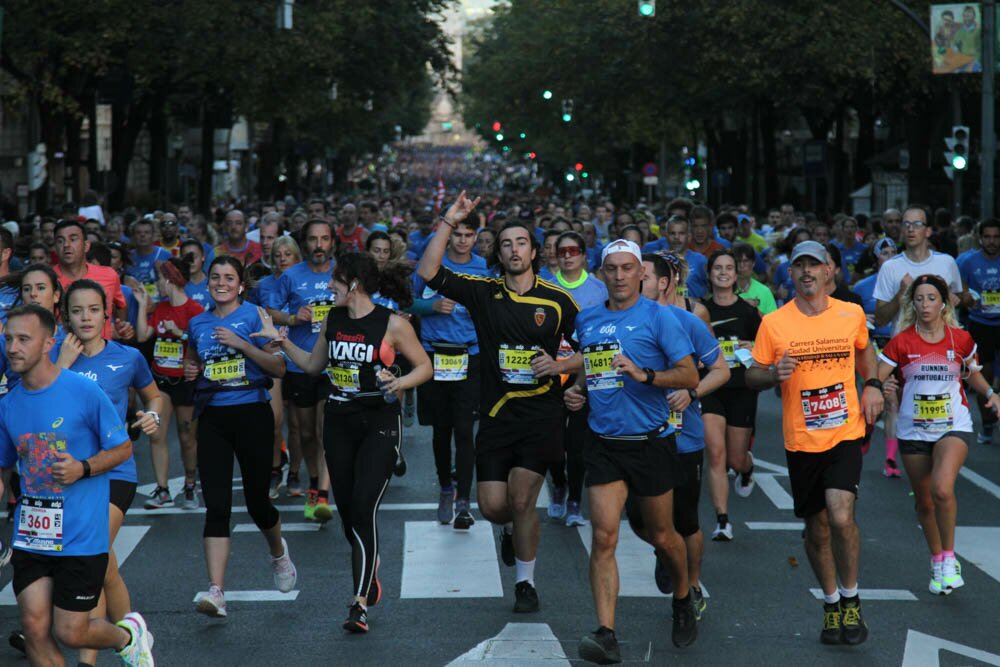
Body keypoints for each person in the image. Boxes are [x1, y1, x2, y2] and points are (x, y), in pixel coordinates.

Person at [417, 192, 580, 614]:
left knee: (524, 499)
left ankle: (525, 584)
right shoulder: (483, 292)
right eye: (505, 243)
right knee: (493, 507)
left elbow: (590, 350)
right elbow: (428, 271)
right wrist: (449, 221)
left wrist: (560, 365)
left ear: (534, 250)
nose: (513, 250)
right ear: (497, 252)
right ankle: (508, 531)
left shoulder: (558, 301)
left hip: (541, 414)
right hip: (495, 415)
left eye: (521, 242)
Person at [257, 252, 432, 633]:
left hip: (379, 423)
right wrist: (281, 341)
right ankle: (371, 570)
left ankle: (359, 603)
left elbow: (425, 367)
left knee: (365, 508)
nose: (329, 286)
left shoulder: (392, 324)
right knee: (350, 514)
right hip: (338, 422)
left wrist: (399, 383)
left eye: (335, 280)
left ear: (352, 284)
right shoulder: (332, 319)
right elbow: (311, 366)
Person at [564, 239, 700, 664]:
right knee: (603, 537)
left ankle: (682, 596)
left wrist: (645, 374)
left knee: (662, 536)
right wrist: (577, 389)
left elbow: (689, 373)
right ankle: (606, 633)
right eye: (612, 269)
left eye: (627, 268)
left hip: (651, 441)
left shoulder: (660, 317)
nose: (620, 276)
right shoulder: (587, 319)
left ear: (642, 274)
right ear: (602, 273)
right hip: (604, 442)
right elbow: (591, 364)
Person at [0, 304, 154, 666]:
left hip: (81, 534)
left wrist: (83, 468)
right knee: (34, 626)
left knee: (70, 631)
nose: (12, 348)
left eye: (23, 339)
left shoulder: (83, 392)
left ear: (48, 343)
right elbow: (5, 468)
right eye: (8, 339)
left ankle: (127, 636)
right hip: (33, 532)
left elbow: (122, 448)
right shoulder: (8, 405)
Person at [747, 240, 883, 646]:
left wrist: (872, 383)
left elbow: (865, 349)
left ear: (829, 272)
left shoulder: (851, 314)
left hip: (844, 431)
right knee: (818, 527)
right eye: (799, 266)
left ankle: (852, 598)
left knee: (841, 517)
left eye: (815, 265)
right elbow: (753, 373)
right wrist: (773, 375)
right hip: (802, 438)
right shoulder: (775, 323)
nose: (807, 272)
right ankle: (829, 603)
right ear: (790, 274)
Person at [183, 256, 296, 618]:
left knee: (257, 502)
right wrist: (191, 369)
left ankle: (278, 553)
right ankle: (216, 591)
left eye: (228, 278)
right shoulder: (197, 322)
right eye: (215, 277)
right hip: (214, 416)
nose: (220, 283)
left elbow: (279, 367)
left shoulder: (255, 316)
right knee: (216, 505)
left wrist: (243, 344)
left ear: (240, 285)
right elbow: (193, 362)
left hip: (252, 414)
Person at [57, 280, 163, 667]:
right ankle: (133, 635)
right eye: (77, 311)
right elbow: (36, 401)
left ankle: (88, 659)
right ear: (64, 315)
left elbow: (155, 394)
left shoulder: (128, 357)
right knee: (105, 565)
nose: (85, 318)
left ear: (107, 314)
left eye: (93, 310)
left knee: (91, 556)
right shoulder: (53, 357)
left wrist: (152, 414)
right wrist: (62, 366)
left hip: (116, 470)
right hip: (68, 475)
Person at [875, 274, 1000, 594]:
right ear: (911, 303)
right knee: (925, 501)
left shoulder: (960, 339)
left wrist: (990, 394)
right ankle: (937, 558)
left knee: (943, 489)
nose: (925, 304)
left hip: (953, 426)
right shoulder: (901, 341)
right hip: (913, 429)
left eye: (932, 298)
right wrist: (881, 386)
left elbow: (973, 374)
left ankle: (949, 558)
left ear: (943, 303)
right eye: (919, 299)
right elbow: (877, 376)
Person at [633, 252, 730, 614]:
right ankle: (664, 547)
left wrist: (691, 392)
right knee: (640, 518)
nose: (631, 280)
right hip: (636, 438)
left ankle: (691, 588)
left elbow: (720, 370)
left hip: (682, 437)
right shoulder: (615, 322)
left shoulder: (685, 321)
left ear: (664, 283)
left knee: (686, 520)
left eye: (640, 275)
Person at [411, 216, 491, 528]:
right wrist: (429, 308)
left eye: (468, 235)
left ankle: (463, 501)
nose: (461, 240)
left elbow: (497, 309)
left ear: (476, 237)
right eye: (456, 234)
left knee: (465, 429)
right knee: (441, 430)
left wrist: (481, 309)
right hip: (434, 354)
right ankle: (446, 487)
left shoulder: (483, 269)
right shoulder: (431, 264)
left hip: (469, 356)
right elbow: (407, 302)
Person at [265, 220, 336, 523]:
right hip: (299, 363)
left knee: (324, 430)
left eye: (324, 239)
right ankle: (312, 485)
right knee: (306, 432)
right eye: (313, 240)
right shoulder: (291, 276)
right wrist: (295, 318)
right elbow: (272, 312)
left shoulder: (342, 273)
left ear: (333, 242)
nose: (319, 245)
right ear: (305, 243)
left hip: (334, 364)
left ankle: (322, 495)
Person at [546, 231, 608, 525]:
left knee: (577, 441)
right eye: (562, 251)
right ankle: (559, 483)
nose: (568, 256)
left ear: (584, 255)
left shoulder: (599, 290)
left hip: (586, 371)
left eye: (574, 250)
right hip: (550, 371)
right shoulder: (544, 286)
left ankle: (574, 501)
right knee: (553, 442)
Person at [700, 250, 761, 542]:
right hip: (711, 388)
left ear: (737, 275)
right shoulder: (700, 311)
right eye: (717, 268)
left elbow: (766, 351)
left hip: (741, 389)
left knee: (735, 459)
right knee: (715, 453)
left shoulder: (749, 313)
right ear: (710, 274)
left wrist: (753, 349)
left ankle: (747, 469)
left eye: (729, 268)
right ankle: (722, 520)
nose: (723, 273)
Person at [135, 259, 204, 510]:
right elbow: (142, 336)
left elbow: (204, 345)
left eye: (158, 279)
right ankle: (162, 490)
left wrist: (181, 334)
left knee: (187, 438)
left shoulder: (194, 310)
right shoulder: (161, 309)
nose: (156, 284)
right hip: (161, 380)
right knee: (156, 434)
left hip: (185, 381)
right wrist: (143, 306)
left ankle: (189, 486)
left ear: (169, 279)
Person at [852, 238, 903, 476]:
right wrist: (862, 318)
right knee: (873, 399)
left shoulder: (906, 284)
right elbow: (847, 316)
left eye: (894, 252)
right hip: (870, 349)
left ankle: (890, 460)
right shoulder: (862, 287)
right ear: (876, 258)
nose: (890, 257)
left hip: (894, 348)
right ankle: (869, 429)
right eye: (885, 253)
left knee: (892, 400)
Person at [874, 204, 964, 329]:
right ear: (902, 230)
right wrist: (901, 294)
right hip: (903, 346)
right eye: (906, 224)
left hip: (940, 345)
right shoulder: (889, 267)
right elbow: (880, 320)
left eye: (917, 224)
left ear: (928, 231)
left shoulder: (947, 262)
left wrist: (947, 295)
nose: (911, 229)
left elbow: (959, 300)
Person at [958, 218, 1000, 444]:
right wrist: (968, 299)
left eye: (996, 237)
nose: (992, 241)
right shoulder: (967, 261)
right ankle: (986, 424)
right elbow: (960, 292)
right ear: (980, 238)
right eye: (988, 237)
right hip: (980, 324)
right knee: (982, 374)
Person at [52, 219, 128, 340]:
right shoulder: (47, 278)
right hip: (62, 353)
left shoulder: (109, 275)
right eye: (60, 241)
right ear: (55, 247)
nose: (66, 245)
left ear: (86, 246)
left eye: (73, 239)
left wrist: (121, 325)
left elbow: (121, 305)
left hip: (102, 353)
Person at [126, 219, 172, 301]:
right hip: (136, 304)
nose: (142, 235)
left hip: (161, 304)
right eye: (138, 232)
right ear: (133, 236)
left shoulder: (165, 255)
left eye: (147, 232)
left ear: (153, 235)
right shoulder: (128, 257)